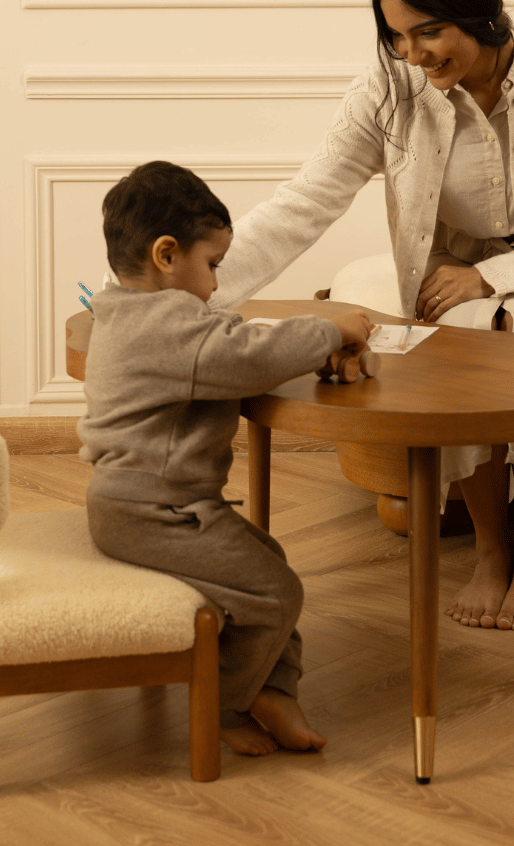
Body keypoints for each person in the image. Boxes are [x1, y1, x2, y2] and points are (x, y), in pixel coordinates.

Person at [212, 0, 514, 634]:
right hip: (458, 270)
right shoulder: (388, 89)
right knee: (463, 346)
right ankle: (489, 546)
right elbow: (307, 199)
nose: (412, 55)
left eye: (429, 33)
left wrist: (494, 276)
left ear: (481, 11)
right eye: (395, 36)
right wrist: (198, 286)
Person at [79, 160, 373, 756]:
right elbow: (241, 356)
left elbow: (224, 354)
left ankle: (272, 691)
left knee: (269, 566)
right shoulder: (164, 324)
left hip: (147, 505)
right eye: (212, 265)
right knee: (277, 592)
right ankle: (226, 703)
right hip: (155, 512)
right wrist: (331, 330)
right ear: (167, 255)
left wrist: (309, 353)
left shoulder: (125, 312)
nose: (216, 285)